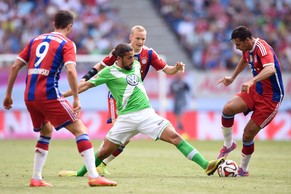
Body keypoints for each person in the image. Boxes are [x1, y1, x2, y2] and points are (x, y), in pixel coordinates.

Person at [59, 43, 225, 178]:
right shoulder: (109, 72)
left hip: (147, 114)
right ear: (118, 58)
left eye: (133, 57)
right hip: (125, 119)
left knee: (175, 136)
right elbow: (86, 85)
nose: (132, 60)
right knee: (102, 152)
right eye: (129, 58)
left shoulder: (137, 64)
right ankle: (79, 173)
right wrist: (64, 94)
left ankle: (206, 165)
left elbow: (165, 70)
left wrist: (174, 69)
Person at [2, 10, 117, 187]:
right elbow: (71, 70)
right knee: (80, 129)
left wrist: (8, 94)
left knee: (46, 131)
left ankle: (36, 178)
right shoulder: (67, 43)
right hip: (48, 93)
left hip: (29, 95)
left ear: (54, 23)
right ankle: (94, 176)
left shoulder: (35, 40)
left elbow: (16, 65)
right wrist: (76, 98)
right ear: (70, 26)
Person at [59, 25, 186, 177]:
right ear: (131, 37)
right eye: (137, 38)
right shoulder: (120, 52)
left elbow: (168, 71)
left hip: (135, 98)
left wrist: (176, 68)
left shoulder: (149, 54)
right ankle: (94, 165)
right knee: (117, 136)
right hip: (116, 98)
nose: (140, 42)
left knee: (125, 139)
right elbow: (101, 65)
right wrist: (86, 78)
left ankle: (102, 164)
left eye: (143, 39)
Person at [216, 26, 284, 176]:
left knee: (247, 135)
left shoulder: (262, 48)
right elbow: (244, 59)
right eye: (235, 45)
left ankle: (243, 170)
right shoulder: (247, 49)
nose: (237, 48)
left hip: (271, 98)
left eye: (239, 44)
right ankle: (228, 145)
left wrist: (252, 80)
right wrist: (232, 78)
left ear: (247, 40)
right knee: (228, 108)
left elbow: (270, 69)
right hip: (256, 90)